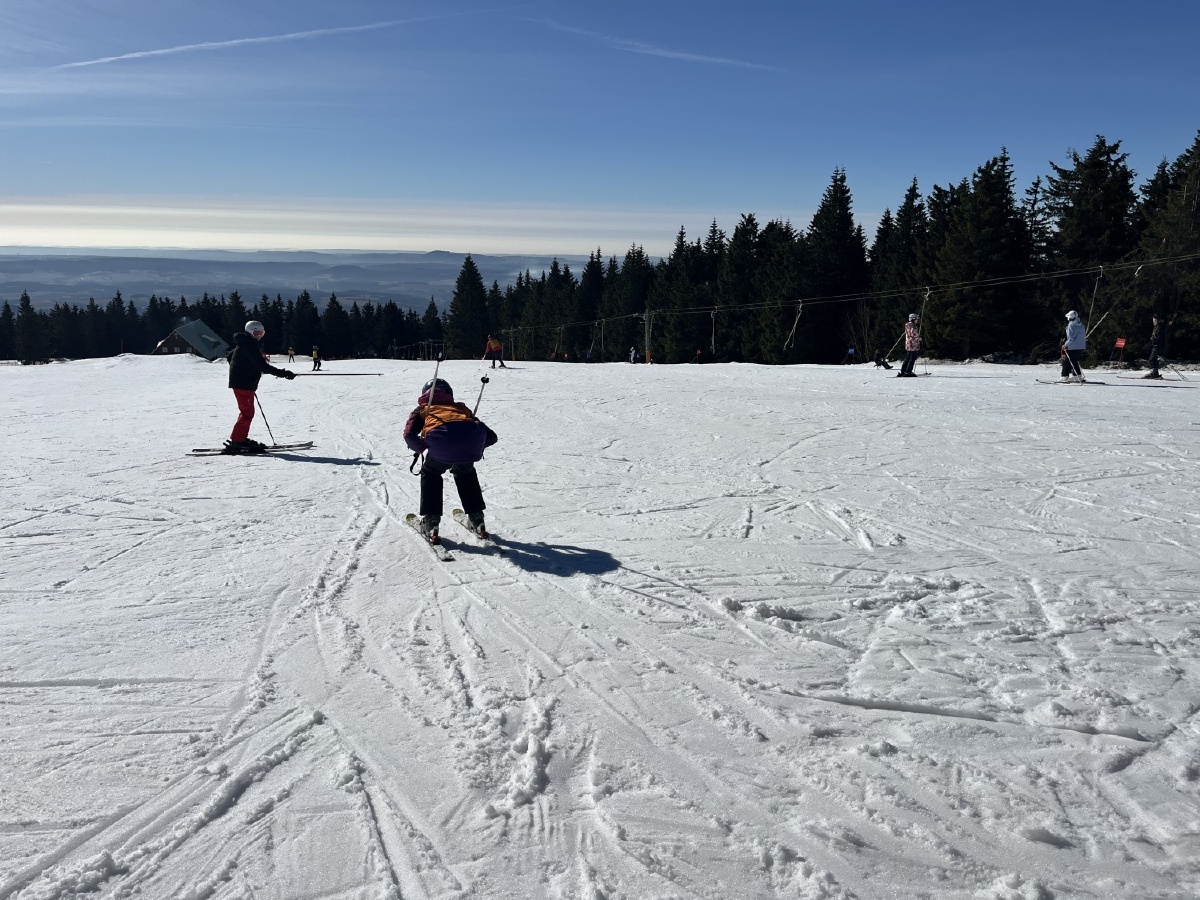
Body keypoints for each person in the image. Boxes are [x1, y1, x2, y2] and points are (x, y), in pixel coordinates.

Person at [403, 378, 498, 541]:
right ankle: (477, 519)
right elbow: (491, 437)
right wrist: (472, 448)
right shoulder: (460, 408)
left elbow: (409, 435)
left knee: (431, 473)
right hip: (467, 447)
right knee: (465, 473)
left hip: (440, 447)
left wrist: (422, 447)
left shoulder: (423, 409)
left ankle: (431, 522)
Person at [224, 320, 296, 454]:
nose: (258, 336)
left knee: (247, 412)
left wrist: (245, 370)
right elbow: (263, 366)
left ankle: (239, 439)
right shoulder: (248, 345)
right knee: (247, 413)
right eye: (256, 333)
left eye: (261, 334)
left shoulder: (245, 343)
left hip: (244, 383)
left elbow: (229, 357)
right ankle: (237, 442)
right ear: (250, 332)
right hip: (243, 384)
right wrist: (283, 373)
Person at [1061, 310, 1087, 382]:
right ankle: (1077, 376)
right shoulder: (1081, 325)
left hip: (1072, 347)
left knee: (1067, 362)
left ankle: (1065, 376)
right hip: (1081, 346)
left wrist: (1065, 345)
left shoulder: (1071, 326)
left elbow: (1071, 338)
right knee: (1073, 361)